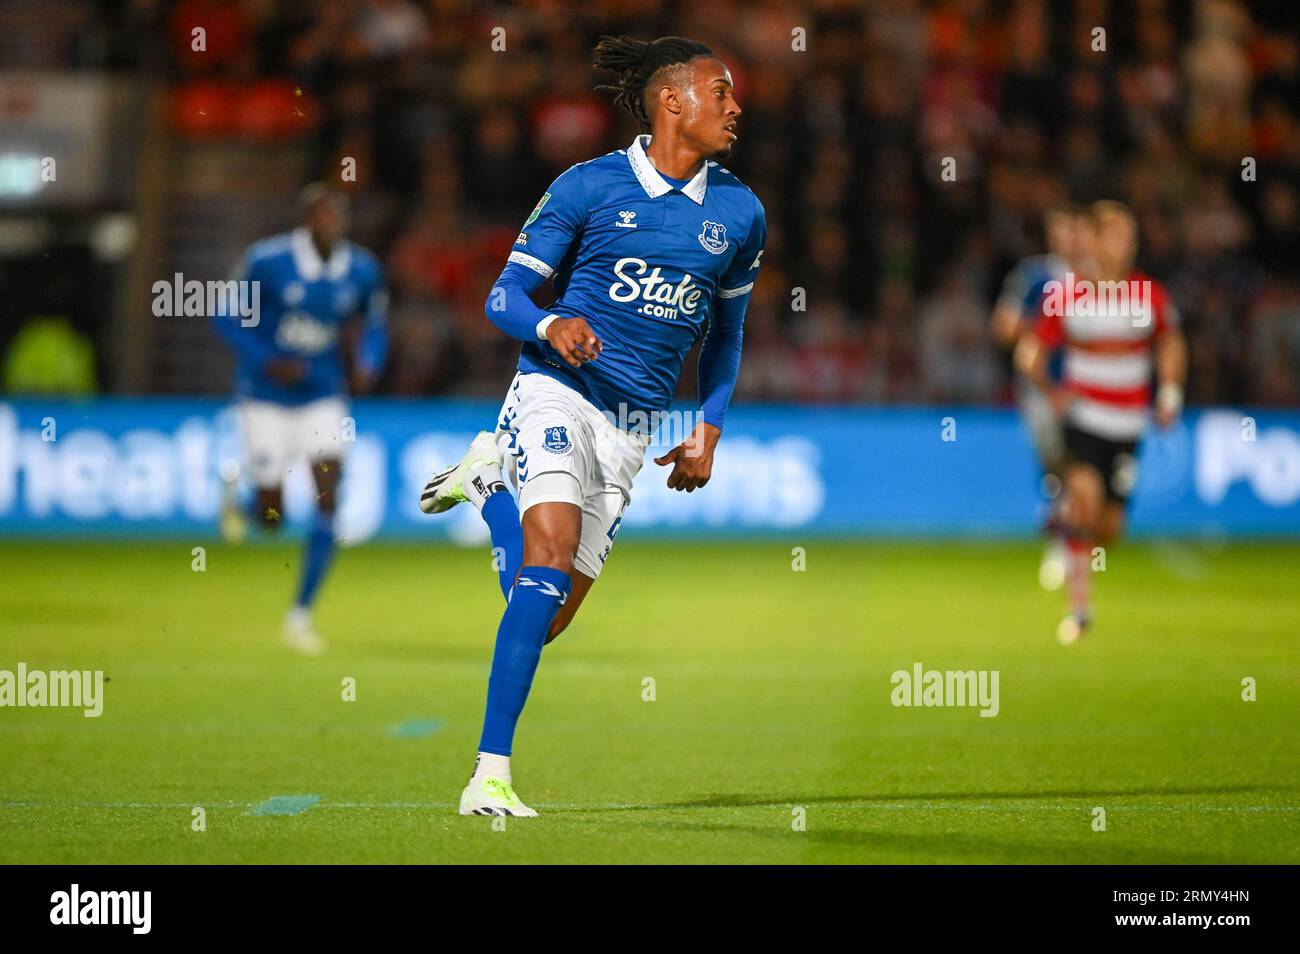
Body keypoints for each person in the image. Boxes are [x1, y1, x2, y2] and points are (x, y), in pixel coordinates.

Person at [421, 35, 766, 816]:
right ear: (673, 101)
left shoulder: (741, 212)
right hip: (557, 392)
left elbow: (727, 335)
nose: (735, 107)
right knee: (544, 564)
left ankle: (485, 486)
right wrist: (549, 328)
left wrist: (710, 426)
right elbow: (503, 297)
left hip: (634, 426)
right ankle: (490, 775)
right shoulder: (588, 187)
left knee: (541, 610)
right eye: (722, 93)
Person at [212, 184, 388, 655]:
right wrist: (268, 358)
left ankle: (301, 613)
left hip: (322, 393)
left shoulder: (362, 269)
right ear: (306, 220)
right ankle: (246, 503)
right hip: (265, 395)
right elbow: (225, 317)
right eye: (324, 216)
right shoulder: (267, 261)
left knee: (328, 496)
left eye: (339, 217)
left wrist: (369, 361)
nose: (333, 224)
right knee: (273, 516)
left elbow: (372, 323)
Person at [1016, 201, 1187, 644]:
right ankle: (1080, 612)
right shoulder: (1066, 295)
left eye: (1129, 237)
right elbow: (1031, 351)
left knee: (1109, 530)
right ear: (1092, 240)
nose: (1124, 245)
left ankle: (1066, 524)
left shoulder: (1149, 295)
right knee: (1085, 499)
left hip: (1127, 425)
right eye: (1114, 235)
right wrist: (1052, 392)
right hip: (1083, 419)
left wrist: (1168, 395)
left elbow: (1171, 344)